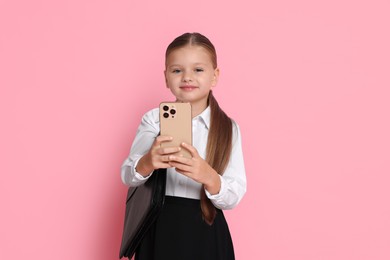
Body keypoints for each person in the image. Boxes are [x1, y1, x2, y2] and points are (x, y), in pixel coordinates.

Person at [121, 32, 246, 260]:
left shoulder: (229, 128)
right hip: (158, 227)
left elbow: (234, 195)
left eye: (198, 70)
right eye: (177, 70)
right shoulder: (154, 120)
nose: (187, 77)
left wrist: (209, 176)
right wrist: (148, 162)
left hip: (206, 231)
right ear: (166, 77)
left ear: (214, 76)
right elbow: (128, 175)